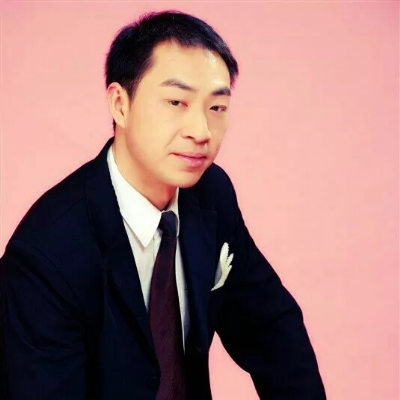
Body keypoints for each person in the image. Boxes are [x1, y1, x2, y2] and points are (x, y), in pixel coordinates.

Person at [0, 10, 326, 400]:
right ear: (120, 104)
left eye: (216, 108)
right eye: (176, 102)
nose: (201, 131)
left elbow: (271, 327)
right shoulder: (44, 256)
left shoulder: (211, 193)